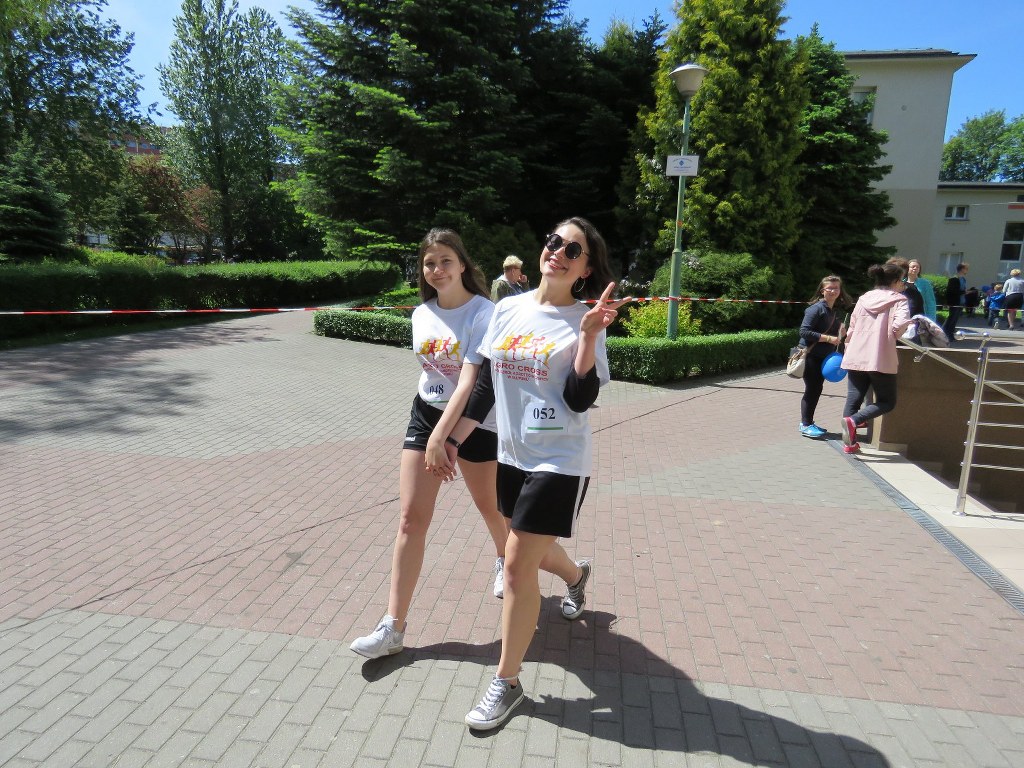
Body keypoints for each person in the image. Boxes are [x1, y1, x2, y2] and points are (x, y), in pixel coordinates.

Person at [431, 217, 627, 731]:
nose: (558, 251)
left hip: (560, 460)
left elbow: (579, 399)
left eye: (573, 250)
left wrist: (588, 337)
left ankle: (508, 683)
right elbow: (485, 388)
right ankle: (578, 576)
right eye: (554, 241)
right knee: (530, 547)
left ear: (585, 269)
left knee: (517, 565)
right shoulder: (507, 309)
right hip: (512, 456)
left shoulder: (585, 320)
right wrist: (453, 439)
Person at [349, 228, 510, 659]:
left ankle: (505, 557)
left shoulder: (485, 313)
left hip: (476, 423)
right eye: (429, 263)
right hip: (426, 415)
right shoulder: (421, 313)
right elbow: (433, 374)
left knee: (490, 508)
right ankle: (393, 627)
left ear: (463, 264)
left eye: (445, 261)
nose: (437, 270)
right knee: (410, 519)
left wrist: (445, 438)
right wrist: (433, 432)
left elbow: (472, 383)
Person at [840, 261, 912, 455]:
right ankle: (853, 421)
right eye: (902, 280)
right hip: (880, 356)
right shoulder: (899, 300)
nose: (903, 284)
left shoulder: (863, 298)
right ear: (895, 281)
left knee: (853, 398)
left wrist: (849, 348)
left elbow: (852, 327)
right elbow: (900, 325)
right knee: (887, 401)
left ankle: (849, 443)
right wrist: (893, 334)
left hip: (856, 354)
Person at [797, 275, 851, 439]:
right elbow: (804, 331)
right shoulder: (816, 309)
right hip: (811, 356)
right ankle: (805, 424)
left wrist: (841, 333)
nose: (833, 291)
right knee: (812, 389)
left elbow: (835, 335)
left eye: (836, 288)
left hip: (823, 357)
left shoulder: (832, 310)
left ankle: (808, 422)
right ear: (822, 290)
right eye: (830, 288)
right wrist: (828, 338)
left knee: (816, 389)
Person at [942, 262, 969, 338]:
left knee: (955, 320)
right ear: (962, 269)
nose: (967, 270)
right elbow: (952, 291)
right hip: (955, 302)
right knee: (951, 319)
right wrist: (964, 292)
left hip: (961, 302)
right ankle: (944, 334)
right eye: (966, 269)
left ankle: (951, 334)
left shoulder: (963, 279)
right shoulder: (954, 279)